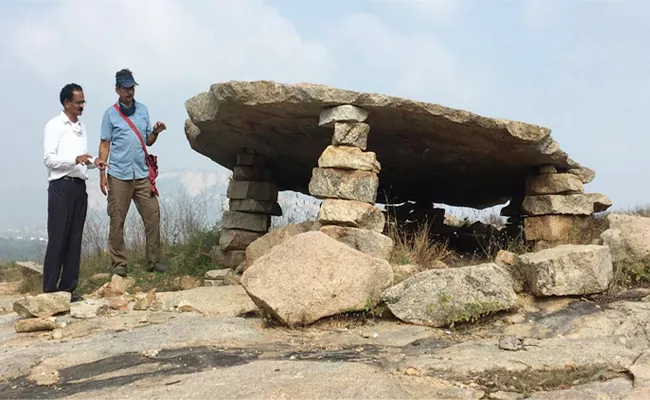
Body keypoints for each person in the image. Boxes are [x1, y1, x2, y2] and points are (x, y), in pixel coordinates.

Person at [98, 69, 168, 277]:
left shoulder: (143, 110)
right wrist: (102, 175)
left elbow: (147, 140)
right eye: (126, 88)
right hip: (119, 174)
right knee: (117, 219)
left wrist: (156, 131)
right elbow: (104, 144)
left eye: (132, 88)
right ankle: (119, 264)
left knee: (153, 215)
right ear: (117, 89)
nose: (130, 92)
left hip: (142, 174)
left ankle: (153, 262)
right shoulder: (110, 114)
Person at [43, 83, 107, 299]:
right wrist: (74, 159)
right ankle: (50, 289)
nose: (81, 106)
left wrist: (92, 161)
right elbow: (49, 159)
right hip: (61, 186)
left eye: (83, 102)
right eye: (78, 102)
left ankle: (68, 289)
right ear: (66, 103)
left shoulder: (81, 127)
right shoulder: (54, 125)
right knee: (58, 237)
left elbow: (81, 158)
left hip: (79, 185)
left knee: (75, 237)